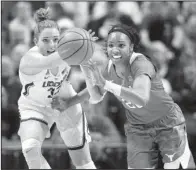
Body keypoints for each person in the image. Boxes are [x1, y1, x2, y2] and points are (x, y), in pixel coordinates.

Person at [52, 24, 196, 169]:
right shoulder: (110, 67)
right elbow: (96, 94)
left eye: (121, 45)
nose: (115, 49)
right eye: (111, 45)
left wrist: (107, 84)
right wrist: (71, 100)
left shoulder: (141, 64)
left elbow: (141, 98)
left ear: (131, 47)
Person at [17, 7, 97, 169]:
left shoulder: (67, 55)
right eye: (45, 40)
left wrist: (71, 101)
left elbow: (96, 94)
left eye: (56, 39)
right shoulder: (29, 59)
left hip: (62, 103)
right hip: (34, 107)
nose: (52, 44)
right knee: (30, 148)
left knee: (83, 162)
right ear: (35, 41)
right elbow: (48, 62)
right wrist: (78, 45)